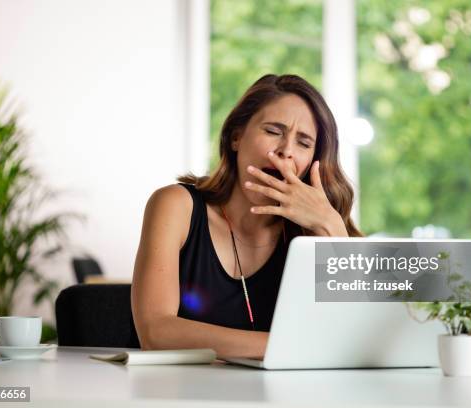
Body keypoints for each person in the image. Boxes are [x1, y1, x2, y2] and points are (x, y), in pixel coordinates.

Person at [131, 74, 361, 359]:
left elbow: (355, 340)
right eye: (273, 131)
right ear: (236, 136)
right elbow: (155, 333)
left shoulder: (318, 232)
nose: (286, 150)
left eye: (303, 142)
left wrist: (330, 226)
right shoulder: (176, 206)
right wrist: (289, 346)